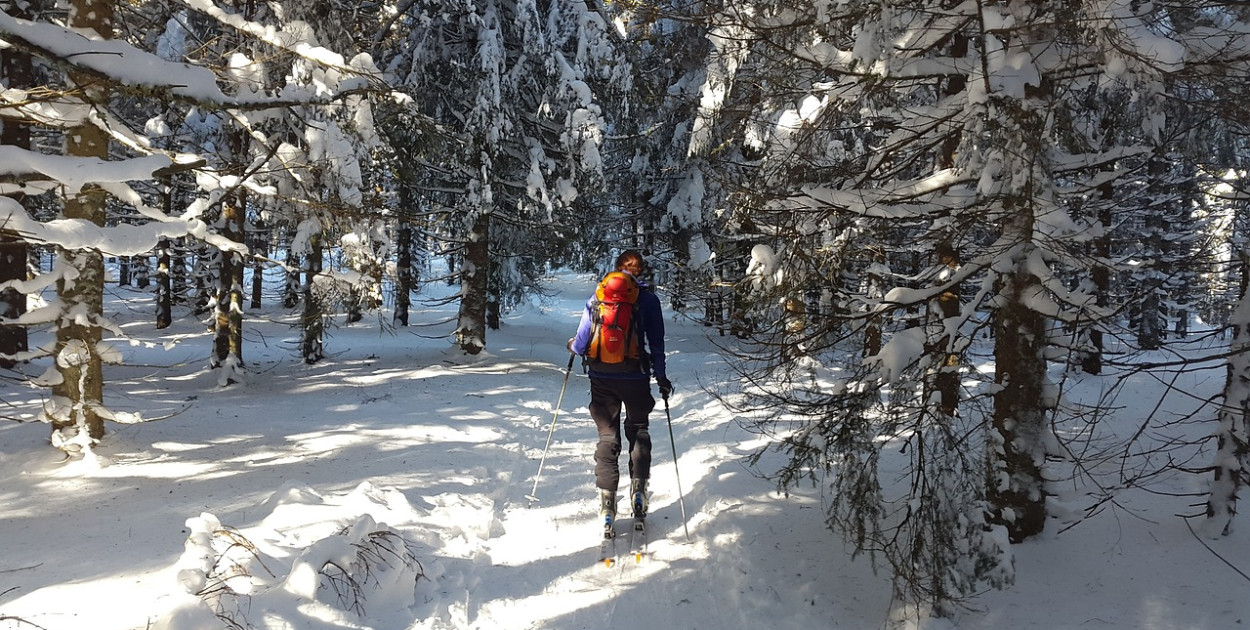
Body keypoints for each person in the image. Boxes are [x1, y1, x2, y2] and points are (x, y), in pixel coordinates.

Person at [568, 250, 672, 532]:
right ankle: (638, 491)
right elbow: (657, 342)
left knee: (607, 436)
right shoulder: (647, 299)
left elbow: (581, 342)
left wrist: (573, 347)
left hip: (602, 376)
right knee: (638, 430)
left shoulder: (598, 296)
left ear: (616, 268)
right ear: (640, 271)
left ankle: (607, 503)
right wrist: (660, 376)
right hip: (635, 375)